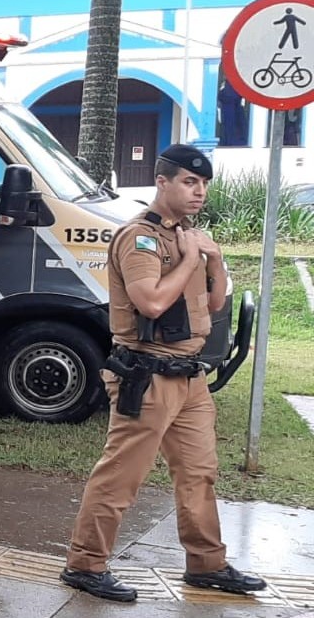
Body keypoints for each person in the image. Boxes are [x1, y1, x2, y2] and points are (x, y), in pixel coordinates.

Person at [61, 145, 266, 602]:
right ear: (163, 181)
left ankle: (206, 563)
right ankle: (85, 563)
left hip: (190, 378)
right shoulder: (140, 238)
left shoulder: (187, 235)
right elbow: (150, 302)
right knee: (122, 474)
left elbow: (213, 307)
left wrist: (211, 259)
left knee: (199, 473)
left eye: (204, 185)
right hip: (147, 374)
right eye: (190, 182)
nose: (200, 192)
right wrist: (193, 259)